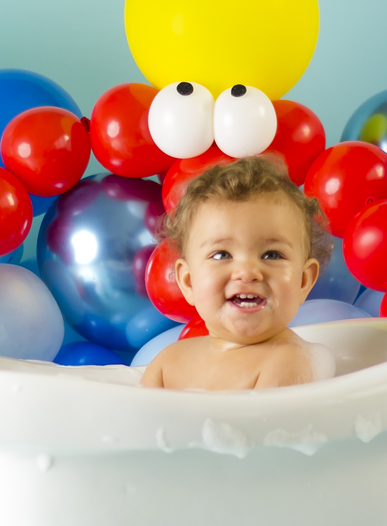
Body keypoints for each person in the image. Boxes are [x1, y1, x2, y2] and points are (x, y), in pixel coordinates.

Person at [141, 156, 336, 390]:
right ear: (188, 281)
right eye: (221, 254)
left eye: (271, 255)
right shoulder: (167, 364)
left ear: (303, 281)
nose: (247, 272)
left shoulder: (291, 362)